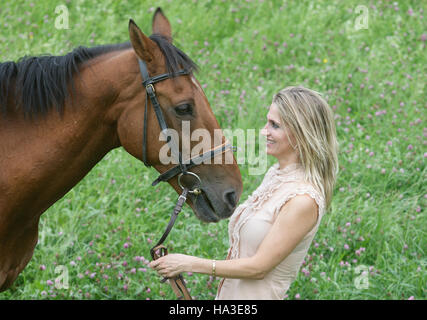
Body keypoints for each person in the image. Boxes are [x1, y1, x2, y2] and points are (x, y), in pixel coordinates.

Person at [149, 86, 339, 299]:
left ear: (301, 134)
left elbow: (258, 268)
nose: (263, 131)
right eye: (268, 122)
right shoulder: (276, 174)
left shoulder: (303, 200)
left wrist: (188, 263)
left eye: (274, 126)